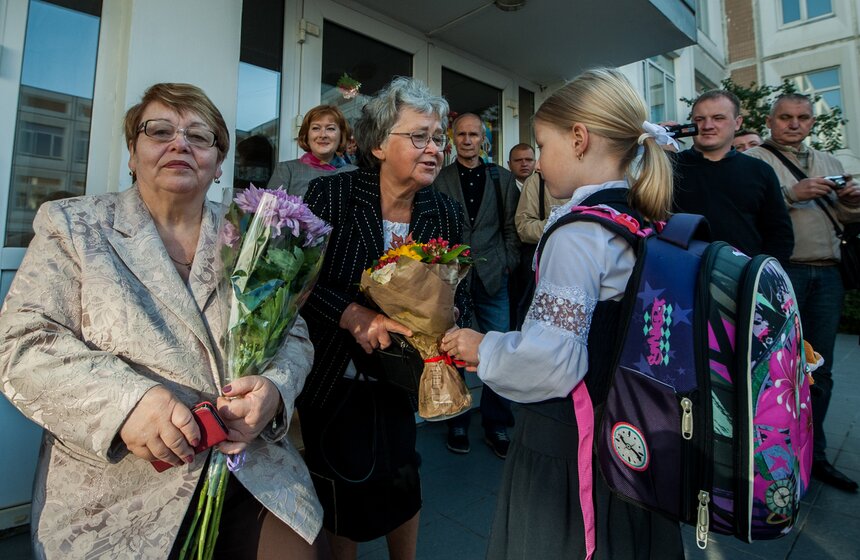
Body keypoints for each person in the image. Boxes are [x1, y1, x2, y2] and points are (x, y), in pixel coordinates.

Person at [0, 83, 324, 559]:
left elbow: (293, 331)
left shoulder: (253, 233)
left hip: (249, 467)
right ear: (133, 153)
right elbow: (21, 343)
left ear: (218, 163)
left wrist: (274, 390)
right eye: (160, 131)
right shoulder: (73, 225)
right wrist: (127, 403)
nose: (180, 144)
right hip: (123, 488)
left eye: (199, 136)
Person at [440, 67, 684, 559]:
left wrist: (482, 346)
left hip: (570, 443)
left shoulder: (578, 234)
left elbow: (550, 361)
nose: (539, 163)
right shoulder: (638, 217)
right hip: (627, 433)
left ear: (578, 139)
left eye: (542, 146)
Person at [298, 77, 470, 560]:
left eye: (437, 138)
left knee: (403, 473)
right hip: (334, 372)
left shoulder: (444, 211)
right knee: (341, 485)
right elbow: (296, 285)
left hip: (402, 376)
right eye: (419, 137)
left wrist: (451, 315)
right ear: (377, 145)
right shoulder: (330, 195)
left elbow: (461, 290)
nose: (434, 149)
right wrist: (350, 313)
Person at [746, 93, 860, 493]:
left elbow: (845, 218)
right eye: (785, 117)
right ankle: (773, 453)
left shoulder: (830, 162)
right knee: (776, 368)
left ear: (812, 121)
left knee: (820, 369)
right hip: (783, 272)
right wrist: (792, 194)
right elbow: (748, 209)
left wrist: (851, 203)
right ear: (770, 121)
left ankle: (816, 453)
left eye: (803, 117)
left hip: (827, 273)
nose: (795, 124)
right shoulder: (755, 159)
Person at [432, 113, 520, 458]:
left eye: (474, 135)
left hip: (494, 276)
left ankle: (496, 424)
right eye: (461, 135)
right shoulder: (440, 178)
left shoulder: (502, 178)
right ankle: (457, 421)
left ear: (484, 139)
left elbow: (511, 227)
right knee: (454, 349)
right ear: (452, 139)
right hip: (454, 278)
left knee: (499, 350)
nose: (467, 140)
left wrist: (508, 262)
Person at [669, 90, 794, 263]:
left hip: (744, 273)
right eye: (699, 119)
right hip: (679, 269)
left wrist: (762, 273)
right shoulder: (669, 167)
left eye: (718, 118)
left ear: (737, 122)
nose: (707, 126)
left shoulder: (760, 171)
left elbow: (779, 233)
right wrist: (653, 152)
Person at [512, 171, 570, 327]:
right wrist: (559, 224)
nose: (536, 165)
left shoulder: (605, 179)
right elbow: (523, 227)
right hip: (547, 266)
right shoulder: (536, 181)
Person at [267, 104, 356, 197]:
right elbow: (268, 206)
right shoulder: (286, 170)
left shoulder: (355, 173)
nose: (323, 135)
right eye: (316, 128)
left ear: (341, 135)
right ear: (306, 135)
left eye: (330, 128)